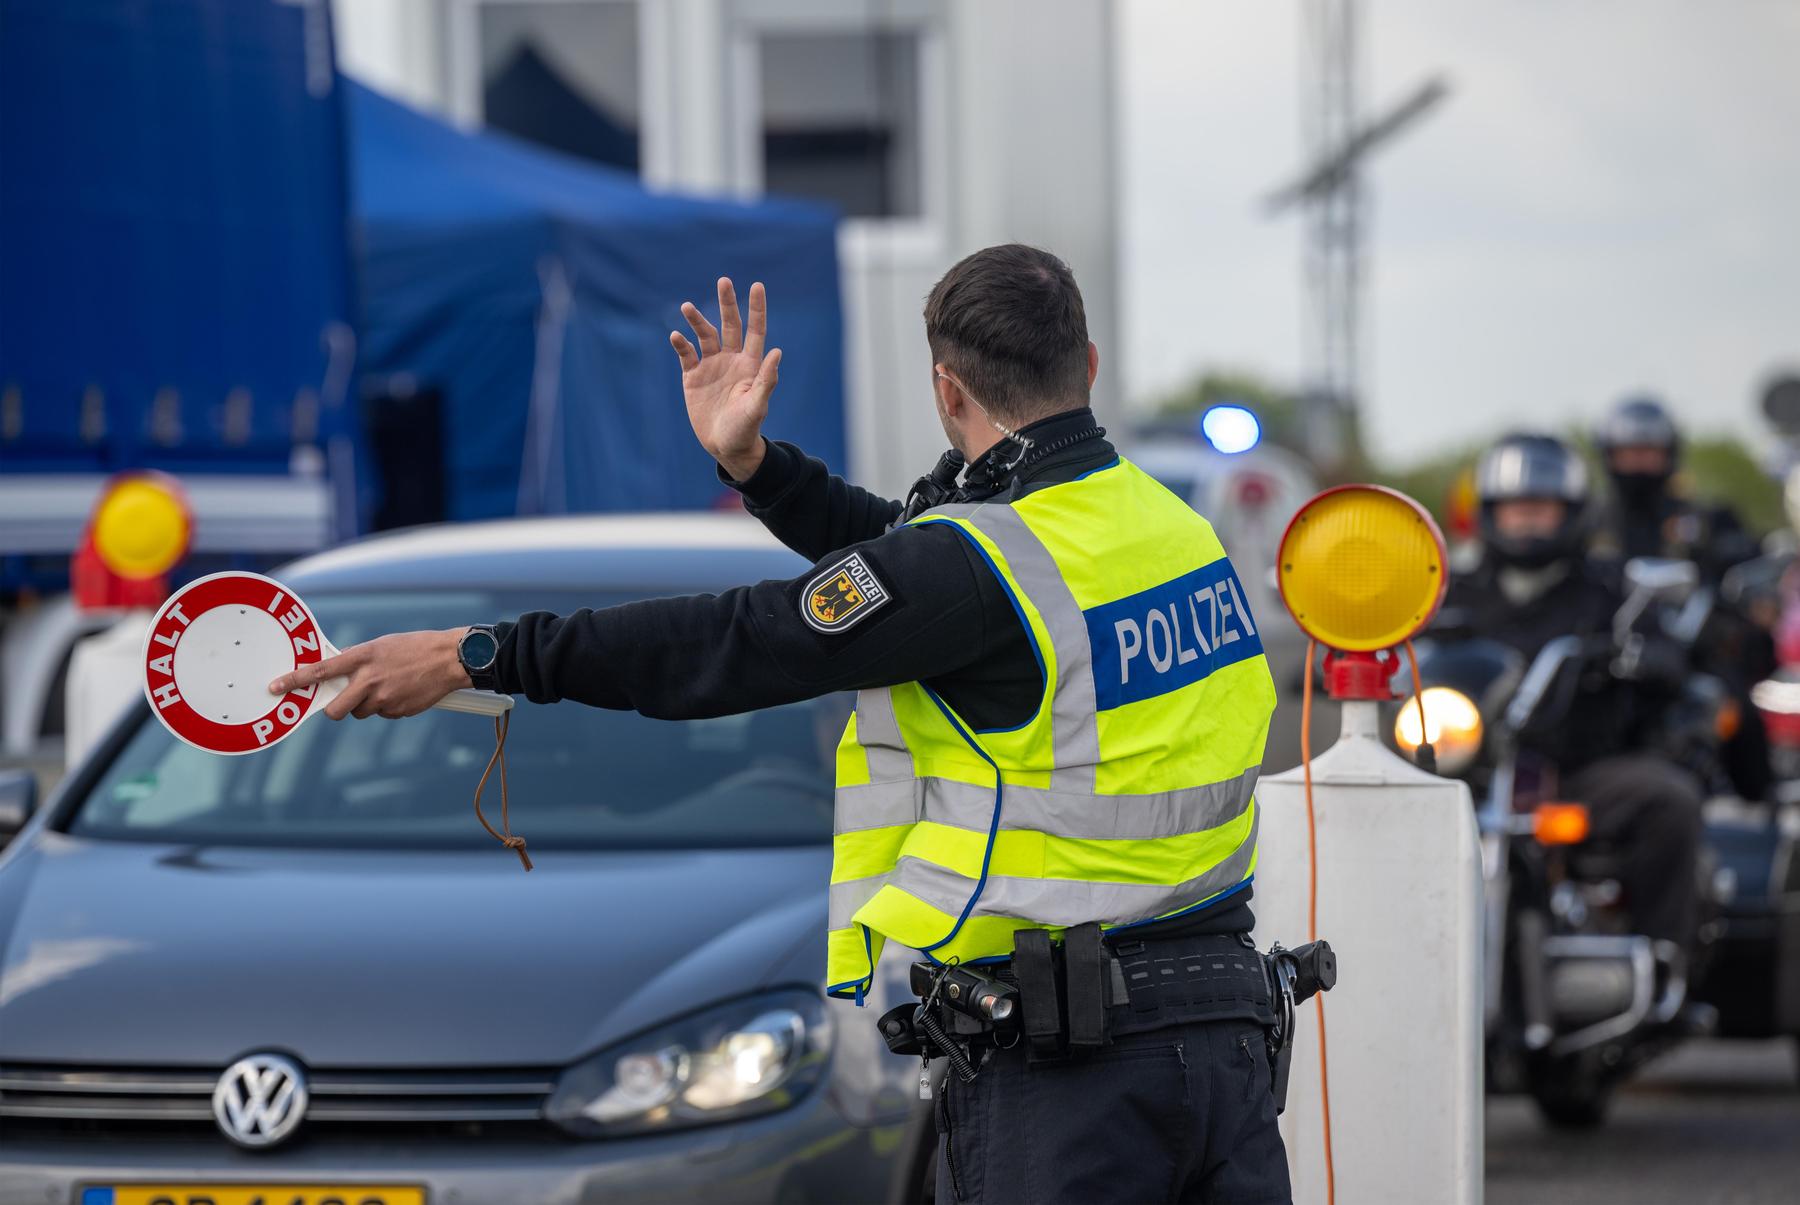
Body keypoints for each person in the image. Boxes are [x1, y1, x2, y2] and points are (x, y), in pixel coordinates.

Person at [270, 245, 1291, 1204]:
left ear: (947, 389)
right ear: (1089, 364)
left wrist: (478, 653)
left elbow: (743, 638)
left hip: (1075, 1079)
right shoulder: (1169, 528)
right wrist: (758, 466)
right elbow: (909, 565)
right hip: (1223, 1039)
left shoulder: (983, 564)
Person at [1443, 432, 1703, 960]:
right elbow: (1394, 637)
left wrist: (1646, 656)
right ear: (1490, 513)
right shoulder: (1449, 586)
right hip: (1464, 771)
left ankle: (1662, 957)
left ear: (1574, 513)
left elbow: (1667, 650)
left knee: (1668, 800)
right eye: (1515, 508)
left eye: (1541, 508)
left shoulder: (1611, 588)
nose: (1528, 520)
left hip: (1577, 770)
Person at [1592, 395, 1775, 800]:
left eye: (1649, 452)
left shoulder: (1703, 520)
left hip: (1692, 653)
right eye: (1629, 453)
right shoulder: (1590, 522)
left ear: (1668, 455)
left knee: (1737, 708)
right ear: (1609, 456)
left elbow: (1745, 565)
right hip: (1610, 653)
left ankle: (1762, 808)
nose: (1639, 463)